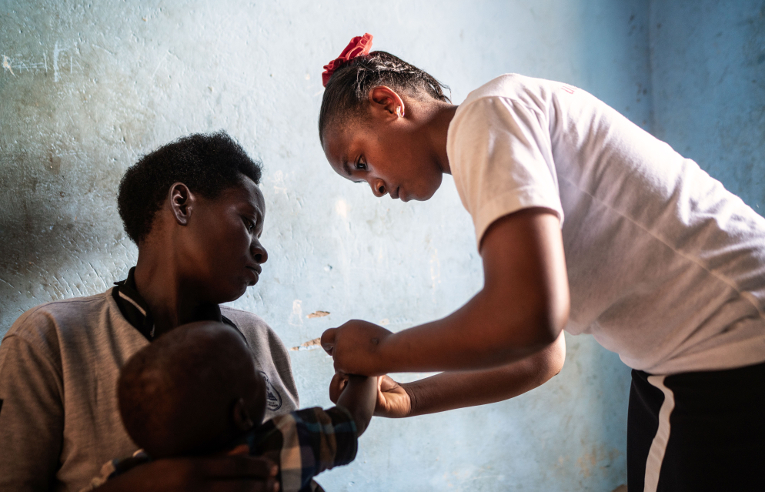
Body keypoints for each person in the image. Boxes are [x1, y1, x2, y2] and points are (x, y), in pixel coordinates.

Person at [317, 34, 765, 491]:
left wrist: (379, 351)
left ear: (387, 103)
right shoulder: (493, 134)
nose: (373, 187)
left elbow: (528, 316)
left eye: (361, 162)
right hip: (688, 351)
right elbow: (541, 354)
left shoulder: (485, 117)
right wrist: (411, 398)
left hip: (723, 341)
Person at [0, 132, 298, 492]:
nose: (261, 250)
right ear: (181, 204)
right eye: (249, 223)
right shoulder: (49, 339)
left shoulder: (261, 341)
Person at [84, 321, 376, 492]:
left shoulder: (127, 474)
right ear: (242, 414)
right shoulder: (272, 449)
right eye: (253, 373)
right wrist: (367, 365)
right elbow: (352, 419)